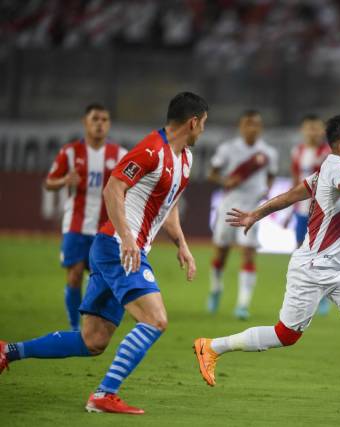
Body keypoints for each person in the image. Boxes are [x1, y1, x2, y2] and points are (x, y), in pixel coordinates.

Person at [194, 114, 340, 400]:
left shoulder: (330, 167)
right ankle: (211, 347)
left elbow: (295, 193)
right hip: (313, 267)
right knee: (285, 335)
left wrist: (256, 213)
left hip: (337, 266)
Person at [1, 92, 209, 414]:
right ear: (193, 122)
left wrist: (182, 244)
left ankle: (8, 351)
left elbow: (169, 206)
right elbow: (114, 187)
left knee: (92, 340)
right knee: (156, 320)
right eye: (203, 124)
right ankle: (105, 393)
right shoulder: (151, 149)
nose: (203, 132)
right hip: (118, 248)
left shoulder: (185, 159)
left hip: (118, 248)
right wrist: (127, 236)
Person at [45, 104, 126, 331]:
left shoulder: (120, 155)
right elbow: (49, 182)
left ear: (108, 124)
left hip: (106, 227)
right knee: (75, 274)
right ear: (85, 122)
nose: (100, 123)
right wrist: (63, 181)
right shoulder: (70, 152)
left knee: (102, 279)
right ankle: (74, 327)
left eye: (104, 119)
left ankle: (95, 321)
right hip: (76, 223)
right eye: (95, 119)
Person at [207, 110, 278, 320]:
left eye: (256, 124)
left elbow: (271, 176)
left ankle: (243, 304)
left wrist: (267, 190)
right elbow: (212, 174)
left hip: (252, 210)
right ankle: (215, 289)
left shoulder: (268, 153)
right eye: (248, 123)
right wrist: (224, 182)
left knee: (248, 253)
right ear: (241, 126)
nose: (252, 127)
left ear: (261, 127)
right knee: (221, 252)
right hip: (228, 207)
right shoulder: (227, 149)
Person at [286, 114, 332, 314]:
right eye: (309, 128)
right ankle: (301, 294)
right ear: (302, 130)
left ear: (322, 131)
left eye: (316, 128)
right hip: (301, 211)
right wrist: (289, 209)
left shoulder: (328, 153)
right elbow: (295, 181)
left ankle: (323, 296)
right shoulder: (297, 152)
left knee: (321, 254)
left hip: (322, 211)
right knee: (299, 252)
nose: (312, 132)